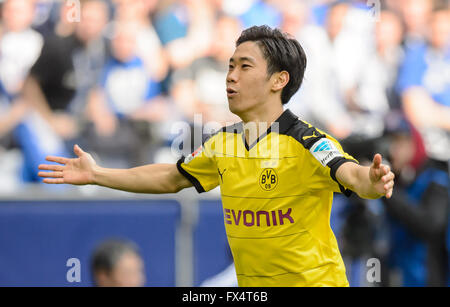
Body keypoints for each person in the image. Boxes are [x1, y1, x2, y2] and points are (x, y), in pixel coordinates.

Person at [38, 26, 395, 287]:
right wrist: (98, 174)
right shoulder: (221, 144)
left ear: (278, 80)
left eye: (244, 67)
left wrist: (373, 182)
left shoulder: (307, 141)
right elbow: (169, 177)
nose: (230, 77)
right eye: (229, 66)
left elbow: (351, 175)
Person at [381, 114, 449, 287]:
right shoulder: (400, 180)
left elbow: (430, 224)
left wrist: (387, 191)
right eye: (390, 143)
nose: (393, 150)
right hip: (399, 274)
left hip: (428, 276)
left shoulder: (436, 179)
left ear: (415, 144)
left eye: (400, 143)